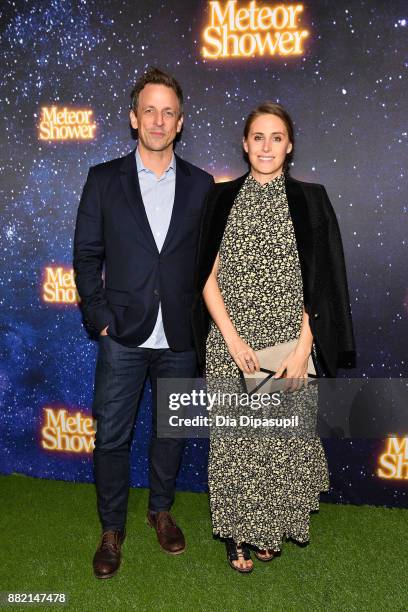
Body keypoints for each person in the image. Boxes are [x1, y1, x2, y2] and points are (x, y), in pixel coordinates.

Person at [192, 102, 355, 573]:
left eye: (276, 137)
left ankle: (269, 526)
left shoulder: (311, 199)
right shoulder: (220, 198)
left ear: (290, 145)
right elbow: (206, 276)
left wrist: (306, 345)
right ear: (245, 144)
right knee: (237, 444)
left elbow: (321, 280)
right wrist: (231, 339)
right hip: (231, 343)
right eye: (258, 137)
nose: (267, 146)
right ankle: (236, 535)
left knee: (281, 440)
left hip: (290, 343)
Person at [73, 67, 214, 579]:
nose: (158, 120)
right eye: (149, 110)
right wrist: (101, 320)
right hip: (123, 335)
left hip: (180, 334)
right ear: (135, 119)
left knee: (170, 432)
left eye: (168, 111)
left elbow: (211, 262)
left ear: (180, 123)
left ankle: (161, 511)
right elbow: (86, 255)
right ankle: (112, 528)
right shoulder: (103, 179)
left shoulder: (202, 185)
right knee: (111, 437)